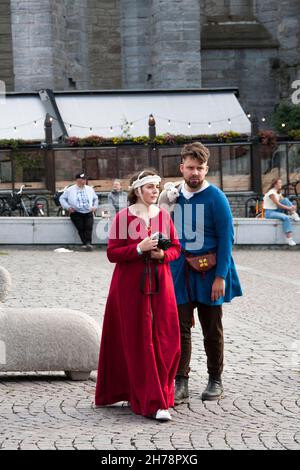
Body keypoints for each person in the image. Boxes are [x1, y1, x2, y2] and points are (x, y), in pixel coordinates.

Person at [159, 142, 243, 404]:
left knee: (212, 329)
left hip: (209, 273)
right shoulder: (174, 196)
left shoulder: (216, 197)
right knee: (180, 329)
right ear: (181, 168)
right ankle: (180, 381)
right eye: (190, 167)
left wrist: (221, 277)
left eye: (200, 168)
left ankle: (214, 379)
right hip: (179, 272)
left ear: (207, 169)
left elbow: (226, 238)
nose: (195, 173)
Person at [95, 170, 181, 421]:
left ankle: (161, 392)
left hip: (160, 284)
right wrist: (137, 248)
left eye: (157, 187)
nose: (155, 191)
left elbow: (176, 248)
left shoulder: (164, 215)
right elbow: (113, 253)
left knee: (167, 338)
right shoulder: (123, 217)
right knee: (139, 339)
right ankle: (152, 401)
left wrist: (162, 255)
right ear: (138, 191)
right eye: (150, 187)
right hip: (130, 286)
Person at [59, 173, 98, 251]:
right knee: (81, 228)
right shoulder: (70, 189)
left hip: (88, 211)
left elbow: (95, 198)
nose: (84, 181)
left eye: (85, 179)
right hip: (76, 212)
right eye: (82, 179)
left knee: (89, 227)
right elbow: (62, 198)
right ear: (77, 180)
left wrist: (95, 206)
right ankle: (85, 243)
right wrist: (68, 207)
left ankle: (88, 244)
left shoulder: (89, 189)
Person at [263, 178, 300, 246]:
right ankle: (289, 239)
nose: (281, 184)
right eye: (279, 183)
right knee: (286, 217)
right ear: (275, 184)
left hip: (276, 210)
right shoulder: (271, 193)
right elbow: (278, 204)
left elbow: (284, 201)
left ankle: (294, 214)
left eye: (281, 183)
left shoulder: (278, 192)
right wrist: (289, 208)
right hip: (269, 212)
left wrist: (292, 207)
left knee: (285, 199)